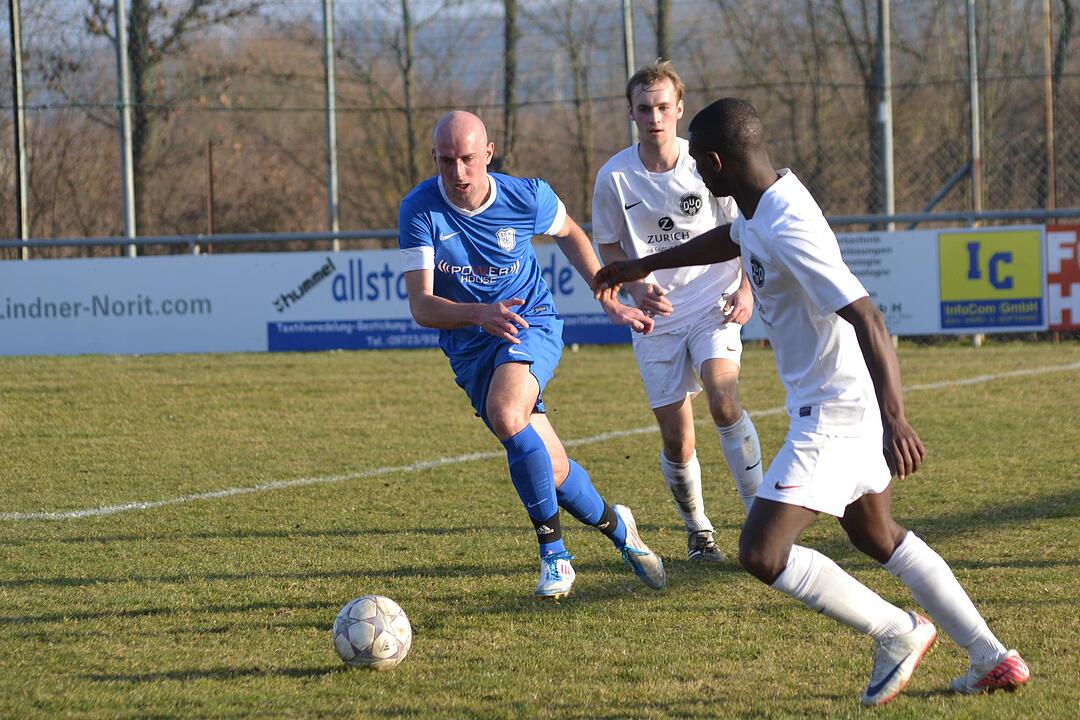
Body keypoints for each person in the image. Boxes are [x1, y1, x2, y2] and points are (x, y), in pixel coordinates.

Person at [594, 98, 1030, 705]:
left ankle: (898, 633)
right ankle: (992, 656)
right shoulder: (764, 203)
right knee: (880, 537)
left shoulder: (788, 224)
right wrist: (642, 263)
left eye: (697, 161)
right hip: (839, 404)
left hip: (832, 412)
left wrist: (896, 419)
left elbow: (868, 316)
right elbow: (730, 237)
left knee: (761, 552)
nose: (692, 171)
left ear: (717, 163)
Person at [398, 110, 667, 600]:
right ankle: (621, 529)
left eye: (466, 160)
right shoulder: (419, 210)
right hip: (472, 341)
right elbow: (422, 306)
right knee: (553, 467)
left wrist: (608, 300)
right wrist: (479, 314)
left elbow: (570, 235)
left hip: (530, 323)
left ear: (488, 153)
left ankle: (554, 555)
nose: (457, 174)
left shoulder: (527, 197)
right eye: (445, 162)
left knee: (506, 412)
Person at [592, 61, 763, 563]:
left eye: (663, 106)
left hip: (714, 302)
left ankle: (758, 519)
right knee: (677, 437)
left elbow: (746, 227)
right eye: (644, 108)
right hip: (655, 319)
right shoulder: (615, 177)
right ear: (631, 113)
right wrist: (637, 284)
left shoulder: (706, 163)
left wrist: (749, 291)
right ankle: (699, 530)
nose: (654, 116)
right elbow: (607, 242)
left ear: (679, 109)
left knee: (723, 398)